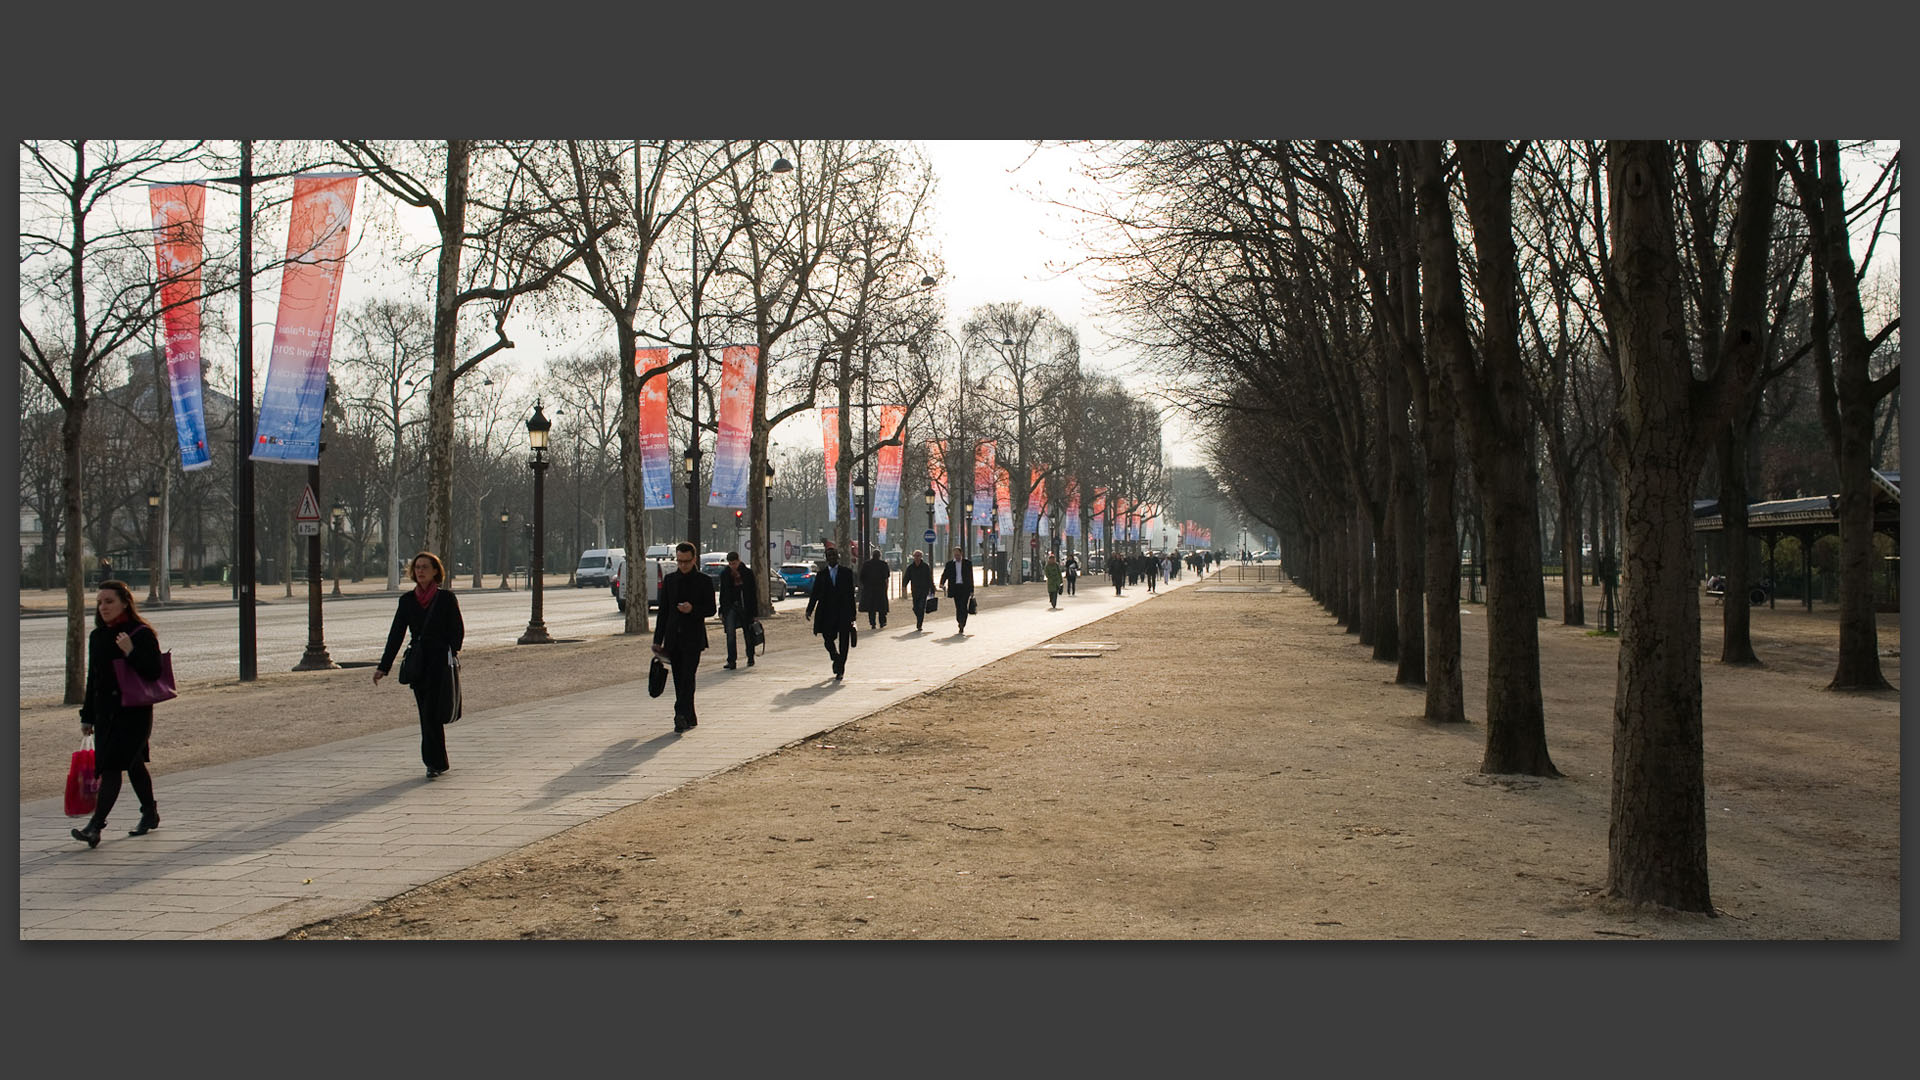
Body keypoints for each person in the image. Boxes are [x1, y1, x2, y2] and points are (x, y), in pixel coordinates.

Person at [70, 580, 165, 847]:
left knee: (112, 768)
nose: (103, 607)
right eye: (100, 602)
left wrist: (131, 652)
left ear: (125, 602)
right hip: (105, 714)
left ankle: (95, 826)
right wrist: (86, 716)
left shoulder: (140, 633)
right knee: (133, 764)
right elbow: (94, 679)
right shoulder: (98, 636)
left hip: (134, 713)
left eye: (109, 601)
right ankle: (150, 812)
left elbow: (153, 672)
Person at [375, 551, 467, 778]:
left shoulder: (446, 598)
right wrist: (383, 667)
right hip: (419, 664)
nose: (421, 571)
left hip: (440, 663)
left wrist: (450, 651)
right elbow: (396, 634)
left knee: (434, 712)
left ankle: (436, 761)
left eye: (425, 567)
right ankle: (435, 762)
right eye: (417, 567)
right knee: (426, 713)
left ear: (436, 571)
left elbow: (457, 630)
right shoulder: (407, 601)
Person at [653, 542, 716, 731]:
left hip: (693, 638)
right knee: (680, 678)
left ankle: (679, 714)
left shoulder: (704, 580)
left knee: (689, 676)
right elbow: (663, 612)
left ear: (694, 559)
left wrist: (693, 609)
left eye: (686, 561)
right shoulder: (670, 580)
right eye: (679, 561)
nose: (682, 565)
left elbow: (711, 609)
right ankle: (689, 715)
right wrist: (658, 640)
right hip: (673, 638)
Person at [806, 545, 857, 680]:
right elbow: (815, 594)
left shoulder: (846, 573)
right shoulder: (821, 575)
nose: (832, 558)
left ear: (838, 557)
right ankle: (835, 656)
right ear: (826, 558)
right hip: (827, 612)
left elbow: (851, 594)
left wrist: (853, 614)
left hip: (843, 612)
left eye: (834, 555)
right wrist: (809, 610)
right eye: (829, 556)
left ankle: (840, 668)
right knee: (828, 640)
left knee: (844, 641)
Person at [718, 550, 758, 670]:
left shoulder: (747, 573)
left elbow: (752, 594)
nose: (732, 566)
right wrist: (721, 610)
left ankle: (750, 657)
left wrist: (754, 613)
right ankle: (731, 660)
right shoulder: (725, 574)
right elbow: (723, 593)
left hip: (745, 607)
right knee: (730, 634)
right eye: (730, 563)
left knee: (748, 632)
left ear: (739, 561)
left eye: (734, 563)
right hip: (730, 607)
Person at [939, 546, 975, 635]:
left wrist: (972, 589)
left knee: (963, 605)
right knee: (958, 607)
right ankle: (960, 621)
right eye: (955, 555)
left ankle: (962, 623)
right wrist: (942, 583)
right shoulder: (950, 564)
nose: (957, 557)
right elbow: (945, 574)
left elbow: (971, 577)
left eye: (958, 555)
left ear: (961, 554)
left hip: (965, 588)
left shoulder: (967, 563)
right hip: (955, 588)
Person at [902, 549, 936, 631]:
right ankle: (919, 618)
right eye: (915, 556)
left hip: (924, 590)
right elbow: (906, 577)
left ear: (921, 557)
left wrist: (932, 588)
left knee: (921, 607)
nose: (916, 558)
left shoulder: (925, 566)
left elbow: (929, 578)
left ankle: (919, 624)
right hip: (915, 590)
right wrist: (904, 586)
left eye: (918, 556)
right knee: (915, 608)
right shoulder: (911, 567)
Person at [859, 548, 891, 629]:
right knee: (881, 606)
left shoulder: (866, 564)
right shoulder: (883, 564)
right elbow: (887, 575)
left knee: (871, 607)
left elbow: (862, 576)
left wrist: (865, 584)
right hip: (880, 588)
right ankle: (882, 622)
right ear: (880, 556)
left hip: (869, 588)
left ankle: (872, 623)